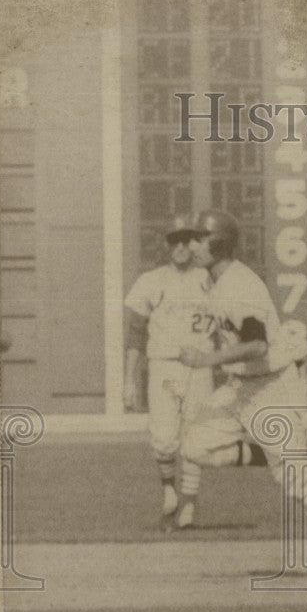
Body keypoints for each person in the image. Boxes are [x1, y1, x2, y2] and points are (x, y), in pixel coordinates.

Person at [177, 209, 307, 575]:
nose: (191, 244)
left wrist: (206, 359)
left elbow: (258, 346)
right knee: (193, 445)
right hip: (240, 388)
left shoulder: (239, 285)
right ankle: (275, 454)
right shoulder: (214, 281)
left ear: (219, 242)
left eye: (198, 237)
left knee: (294, 480)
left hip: (273, 388)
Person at [124, 214, 215, 529]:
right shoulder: (151, 281)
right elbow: (135, 334)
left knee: (195, 438)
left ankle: (188, 505)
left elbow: (230, 324)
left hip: (199, 367)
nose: (180, 246)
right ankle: (168, 491)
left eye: (186, 239)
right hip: (163, 365)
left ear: (194, 243)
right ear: (167, 244)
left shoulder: (209, 278)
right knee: (163, 438)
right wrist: (129, 379)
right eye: (174, 240)